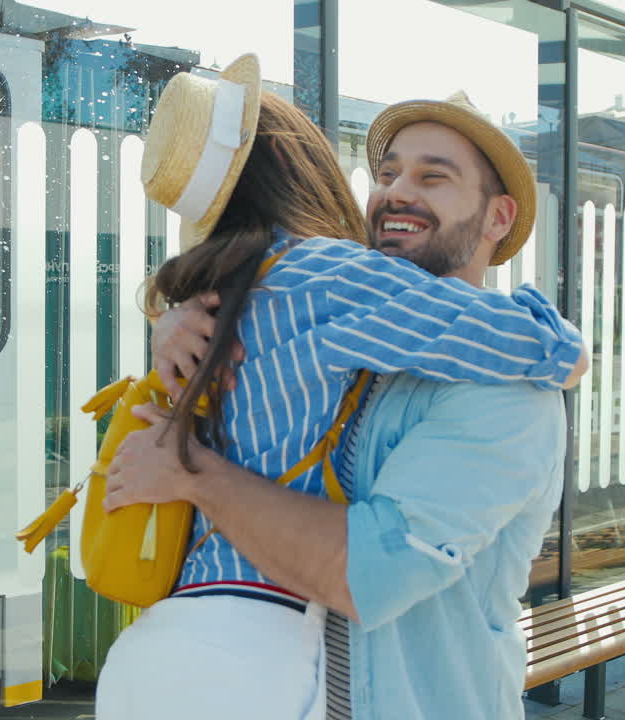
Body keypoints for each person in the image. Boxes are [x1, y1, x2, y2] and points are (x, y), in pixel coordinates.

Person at [94, 55, 583, 720]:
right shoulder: (351, 330)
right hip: (252, 665)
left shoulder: (506, 392)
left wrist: (189, 471)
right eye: (386, 174)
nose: (396, 191)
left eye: (433, 177)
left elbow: (368, 573)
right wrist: (176, 321)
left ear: (498, 218)